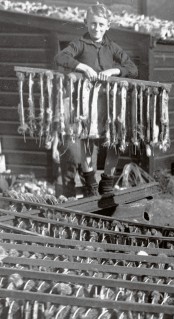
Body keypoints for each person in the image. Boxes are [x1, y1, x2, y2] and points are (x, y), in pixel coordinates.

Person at [54, 3, 138, 196]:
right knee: (87, 140)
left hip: (108, 103)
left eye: (101, 25)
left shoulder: (112, 47)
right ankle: (91, 181)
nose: (97, 29)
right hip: (85, 102)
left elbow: (132, 68)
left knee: (114, 140)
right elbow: (61, 57)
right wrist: (83, 68)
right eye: (93, 24)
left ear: (108, 25)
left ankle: (106, 183)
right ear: (86, 23)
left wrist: (114, 70)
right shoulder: (80, 43)